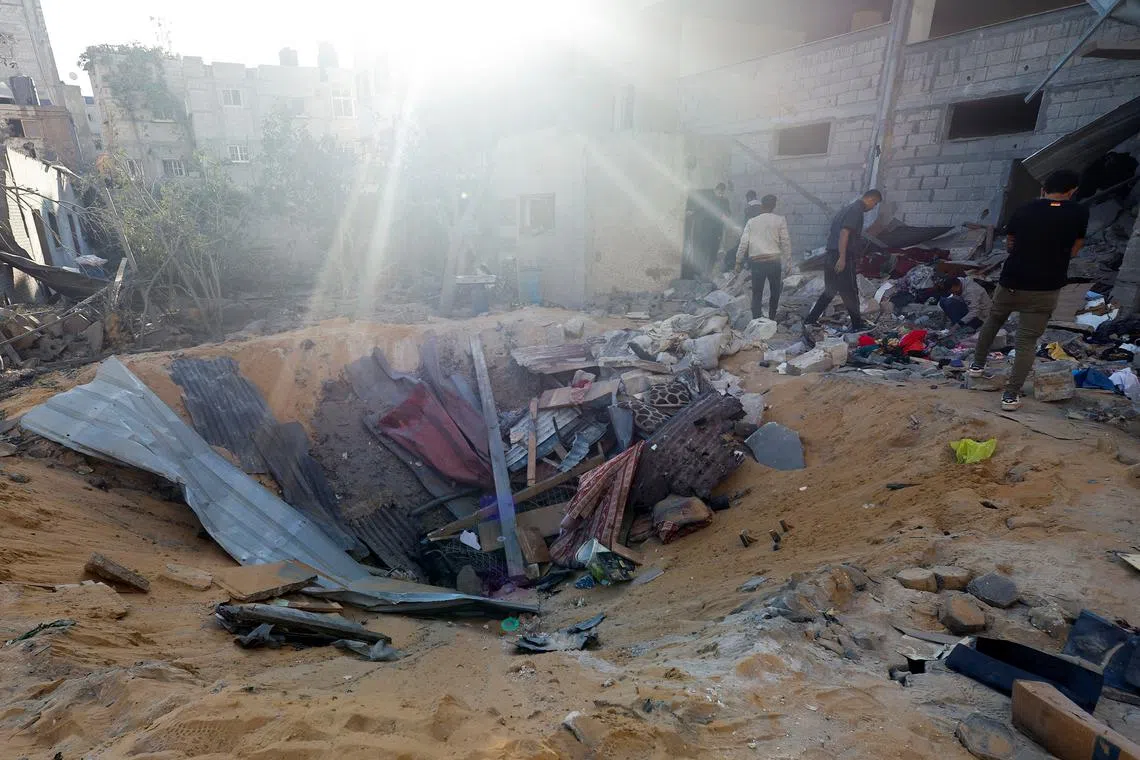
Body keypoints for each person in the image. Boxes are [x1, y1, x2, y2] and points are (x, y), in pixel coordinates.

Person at [968, 169, 1088, 411]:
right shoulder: (1079, 212)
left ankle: (977, 366)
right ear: (1072, 190)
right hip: (1045, 287)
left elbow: (1010, 242)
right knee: (1026, 342)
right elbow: (1076, 247)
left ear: (1044, 188)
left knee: (993, 321)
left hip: (1012, 280)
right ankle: (1010, 396)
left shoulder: (1024, 208)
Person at [804, 189, 883, 330]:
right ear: (870, 199)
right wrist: (842, 257)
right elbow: (844, 233)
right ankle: (857, 325)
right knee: (850, 291)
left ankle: (809, 321)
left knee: (830, 291)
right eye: (875, 204)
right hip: (841, 255)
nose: (873, 207)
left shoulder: (847, 209)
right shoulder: (856, 210)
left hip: (830, 254)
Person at [734, 194, 791, 320]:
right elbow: (785, 242)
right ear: (774, 206)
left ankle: (756, 320)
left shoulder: (752, 222)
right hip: (774, 261)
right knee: (775, 292)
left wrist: (738, 262)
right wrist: (788, 262)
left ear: (762, 206)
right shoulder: (780, 220)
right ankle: (771, 318)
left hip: (757, 263)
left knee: (757, 293)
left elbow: (743, 243)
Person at [684, 183, 732, 279]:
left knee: (713, 251)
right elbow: (700, 208)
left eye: (722, 192)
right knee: (703, 250)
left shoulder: (725, 201)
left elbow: (727, 213)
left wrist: (724, 216)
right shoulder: (710, 199)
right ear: (716, 190)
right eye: (719, 192)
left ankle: (708, 272)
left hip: (717, 231)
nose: (721, 194)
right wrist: (691, 212)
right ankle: (699, 272)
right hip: (704, 230)